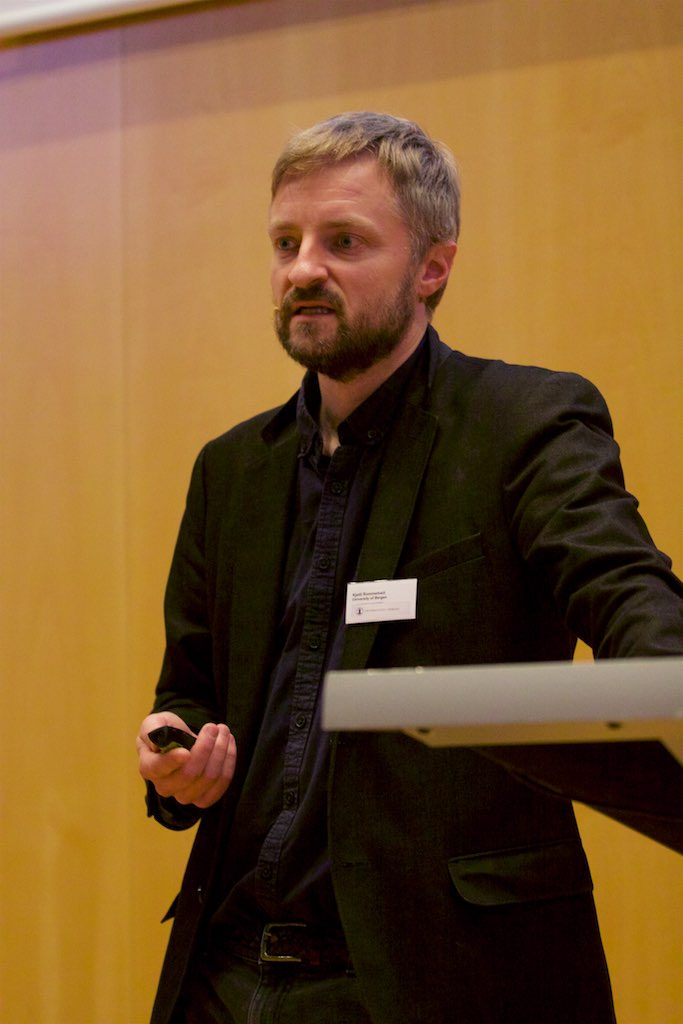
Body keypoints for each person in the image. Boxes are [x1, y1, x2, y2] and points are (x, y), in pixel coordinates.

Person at [137, 112, 683, 1024]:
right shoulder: (230, 471)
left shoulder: (521, 424)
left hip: (442, 976)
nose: (302, 268)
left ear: (432, 267)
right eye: (285, 242)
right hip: (228, 976)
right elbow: (191, 692)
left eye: (343, 241)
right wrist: (177, 754)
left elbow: (625, 589)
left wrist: (668, 683)